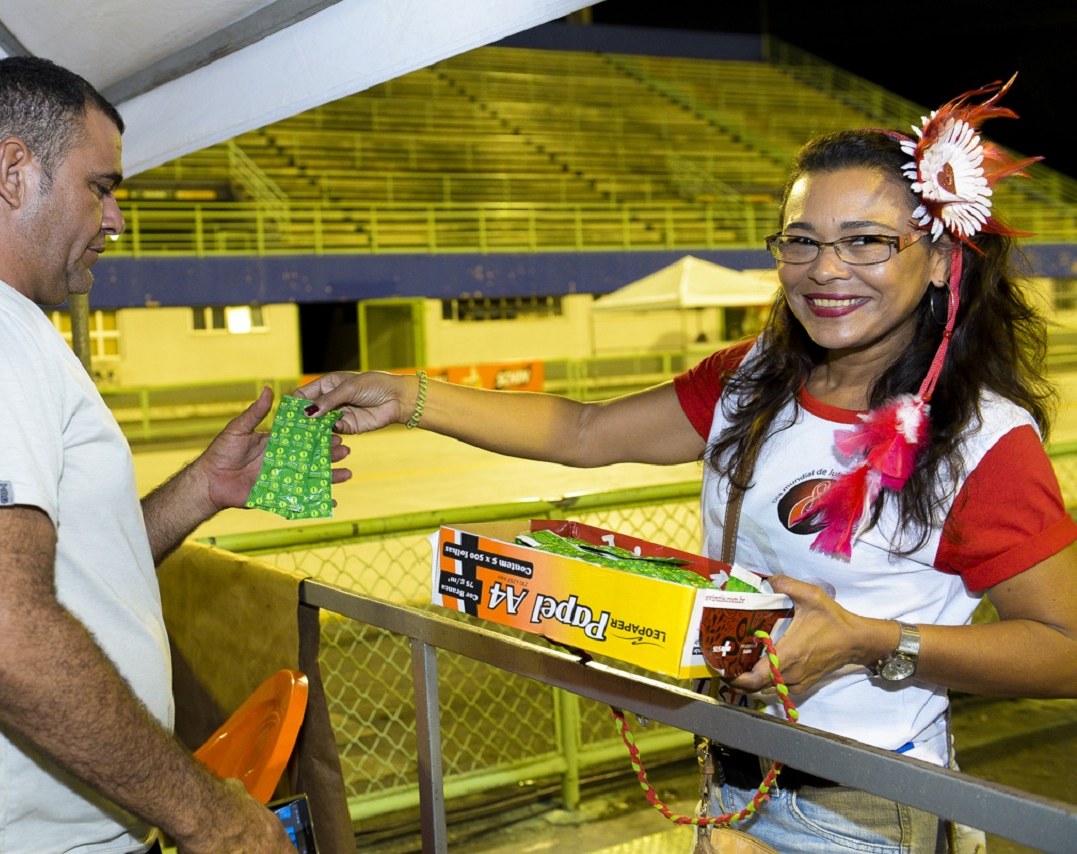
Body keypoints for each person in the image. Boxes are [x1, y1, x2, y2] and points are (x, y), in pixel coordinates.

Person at [296, 79, 1077, 851]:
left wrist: (869, 639)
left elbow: (1064, 649)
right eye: (801, 240)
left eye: (866, 241)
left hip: (867, 809)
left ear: (940, 259)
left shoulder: (982, 440)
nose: (825, 269)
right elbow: (584, 431)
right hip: (727, 779)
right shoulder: (753, 378)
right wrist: (409, 395)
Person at [0, 57, 343, 853]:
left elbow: (57, 570)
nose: (117, 217)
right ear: (16, 171)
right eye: (101, 185)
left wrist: (202, 488)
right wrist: (206, 814)